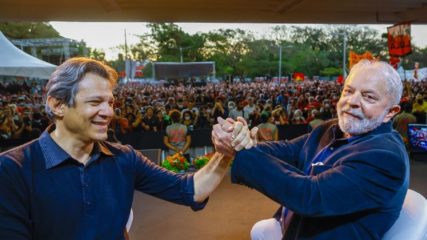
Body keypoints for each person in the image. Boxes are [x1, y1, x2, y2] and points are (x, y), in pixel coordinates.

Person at [0, 57, 231, 240]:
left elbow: (190, 190)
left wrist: (225, 152)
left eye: (110, 102)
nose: (109, 112)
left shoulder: (124, 158)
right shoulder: (12, 169)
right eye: (95, 102)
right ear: (58, 105)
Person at [212, 60, 409, 239]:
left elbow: (311, 197)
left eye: (368, 96)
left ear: (390, 112)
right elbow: (289, 150)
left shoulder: (385, 158)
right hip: (293, 228)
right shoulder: (331, 128)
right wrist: (242, 142)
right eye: (348, 91)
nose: (352, 102)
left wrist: (242, 152)